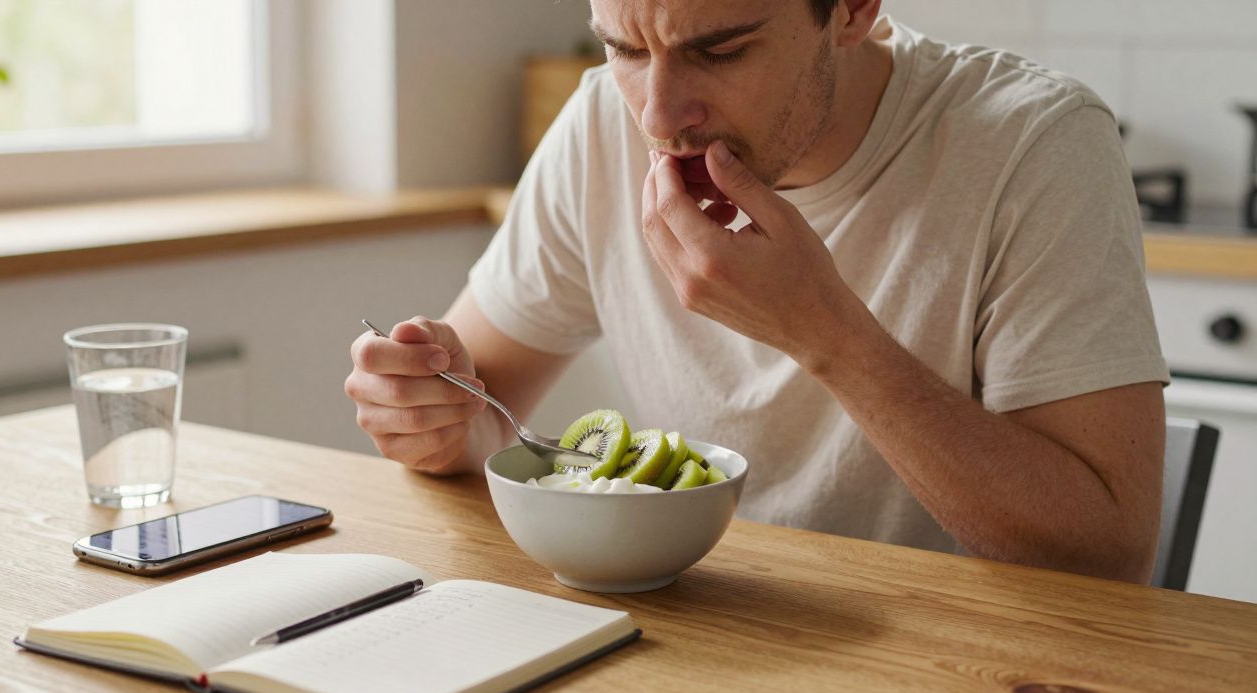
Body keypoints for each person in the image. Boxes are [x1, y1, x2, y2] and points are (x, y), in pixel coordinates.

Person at [345, 0, 1171, 584]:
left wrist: (827, 334)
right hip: (699, 633)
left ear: (852, 10)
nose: (660, 118)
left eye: (720, 50)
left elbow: (1106, 554)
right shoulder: (601, 124)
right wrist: (427, 413)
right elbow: (481, 416)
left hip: (956, 665)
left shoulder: (1034, 144)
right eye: (625, 50)